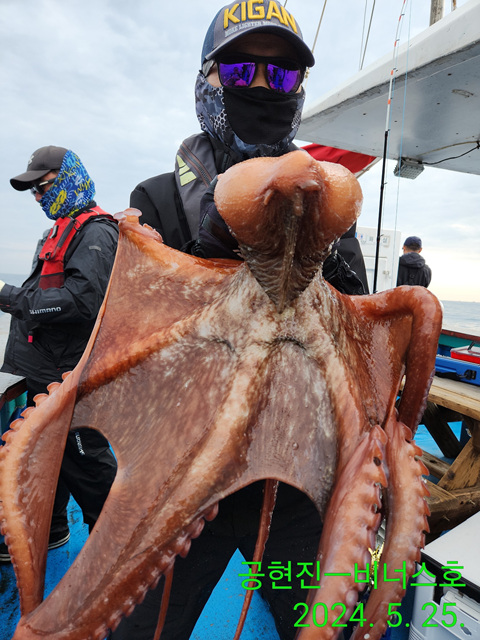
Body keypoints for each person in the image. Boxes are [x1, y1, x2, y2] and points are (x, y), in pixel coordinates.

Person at [112, 3, 362, 639]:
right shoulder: (157, 199)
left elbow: (355, 329)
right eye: (242, 70)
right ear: (208, 81)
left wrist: (321, 252)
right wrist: (208, 252)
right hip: (181, 476)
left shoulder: (328, 201)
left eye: (282, 76)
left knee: (327, 624)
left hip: (293, 477)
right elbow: (132, 344)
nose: (262, 87)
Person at [0, 145, 118, 562]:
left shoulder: (96, 233)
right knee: (46, 455)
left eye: (43, 187)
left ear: (68, 179)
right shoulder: (59, 231)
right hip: (41, 370)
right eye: (33, 191)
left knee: (87, 462)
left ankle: (117, 549)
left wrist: (8, 296)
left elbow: (81, 302)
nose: (37, 197)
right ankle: (51, 529)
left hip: (66, 375)